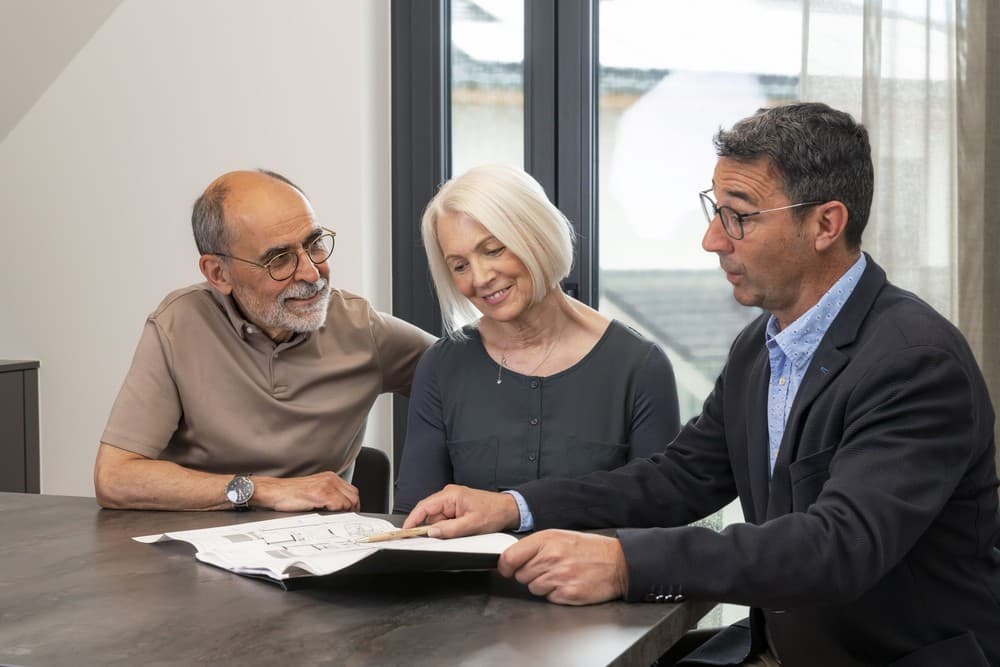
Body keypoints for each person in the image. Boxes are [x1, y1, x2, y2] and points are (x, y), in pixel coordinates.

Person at [403, 104, 1000, 666]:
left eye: (738, 216)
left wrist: (625, 562)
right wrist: (513, 506)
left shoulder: (914, 360)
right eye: (715, 211)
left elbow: (836, 547)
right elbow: (679, 478)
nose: (713, 239)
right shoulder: (759, 348)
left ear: (825, 223)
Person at [94, 170, 434, 512]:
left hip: (317, 549)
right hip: (194, 548)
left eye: (314, 243)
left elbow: (467, 374)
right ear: (219, 274)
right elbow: (115, 478)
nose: (311, 273)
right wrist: (259, 490)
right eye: (279, 259)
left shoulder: (363, 330)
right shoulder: (178, 324)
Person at [392, 165, 680, 514]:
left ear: (537, 235)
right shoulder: (441, 366)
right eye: (459, 266)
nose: (480, 278)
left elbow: (659, 518)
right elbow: (414, 518)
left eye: (493, 250)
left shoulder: (639, 367)